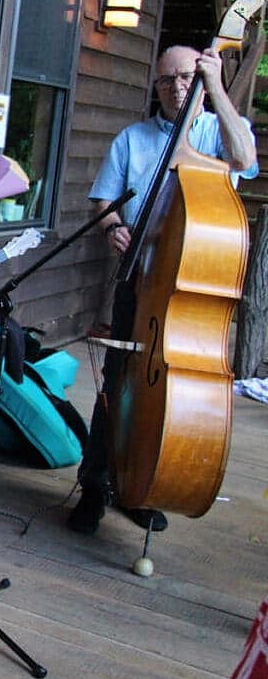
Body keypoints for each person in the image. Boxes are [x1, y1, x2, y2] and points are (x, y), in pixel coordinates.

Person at [68, 45, 258, 535]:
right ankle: (95, 485)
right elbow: (103, 200)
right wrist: (113, 227)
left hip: (191, 287)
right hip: (140, 279)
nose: (177, 88)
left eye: (187, 77)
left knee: (167, 396)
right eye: (167, 80)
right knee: (117, 384)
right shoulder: (132, 139)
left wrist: (215, 87)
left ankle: (141, 487)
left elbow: (244, 158)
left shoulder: (218, 133)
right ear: (156, 87)